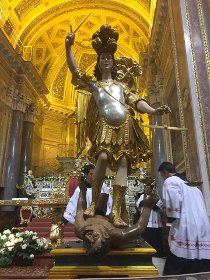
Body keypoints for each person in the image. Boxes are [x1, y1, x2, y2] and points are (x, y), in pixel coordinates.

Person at [65, 24, 171, 227]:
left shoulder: (122, 86)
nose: (106, 60)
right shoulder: (94, 85)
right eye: (102, 58)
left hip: (125, 126)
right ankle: (94, 203)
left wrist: (154, 111)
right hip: (104, 126)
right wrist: (68, 47)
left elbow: (137, 102)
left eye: (109, 58)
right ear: (98, 62)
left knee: (123, 163)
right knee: (103, 157)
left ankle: (115, 212)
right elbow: (76, 70)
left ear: (112, 62)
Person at [74, 183, 159, 257]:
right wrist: (148, 207)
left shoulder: (81, 228)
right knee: (121, 216)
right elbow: (139, 227)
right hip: (112, 222)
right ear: (105, 235)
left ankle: (102, 204)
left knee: (102, 198)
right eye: (95, 237)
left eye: (88, 243)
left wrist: (83, 190)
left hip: (98, 215)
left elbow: (80, 210)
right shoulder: (117, 234)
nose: (89, 237)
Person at [158, 161, 210, 275]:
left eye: (162, 176)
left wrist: (170, 218)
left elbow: (173, 203)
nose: (162, 178)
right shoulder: (191, 185)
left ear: (165, 172)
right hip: (202, 224)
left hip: (185, 223)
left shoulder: (170, 181)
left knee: (179, 253)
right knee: (198, 253)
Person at [136, 185, 164, 257]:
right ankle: (146, 254)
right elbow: (138, 205)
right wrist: (147, 200)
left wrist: (148, 201)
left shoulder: (156, 196)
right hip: (146, 222)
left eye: (149, 188)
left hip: (155, 222)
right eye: (146, 188)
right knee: (146, 239)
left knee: (156, 239)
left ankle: (157, 253)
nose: (147, 190)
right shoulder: (142, 196)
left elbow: (157, 207)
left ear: (152, 189)